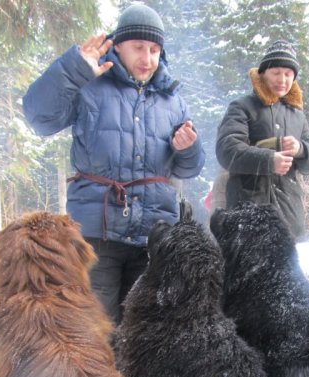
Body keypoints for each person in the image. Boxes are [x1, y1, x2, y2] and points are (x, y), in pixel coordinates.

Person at [23, 3, 205, 324]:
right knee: (96, 333)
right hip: (97, 236)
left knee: (144, 335)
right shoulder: (90, 85)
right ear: (117, 45)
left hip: (153, 237)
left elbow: (187, 169)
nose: (147, 58)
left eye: (154, 49)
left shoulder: (172, 100)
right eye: (138, 48)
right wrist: (74, 68)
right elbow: (39, 118)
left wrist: (188, 149)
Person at [215, 40, 309, 240]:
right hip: (247, 216)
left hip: (290, 219)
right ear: (263, 73)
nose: (282, 79)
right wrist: (268, 160)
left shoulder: (297, 115)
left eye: (288, 74)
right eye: (276, 72)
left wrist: (301, 149)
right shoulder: (242, 107)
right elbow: (226, 149)